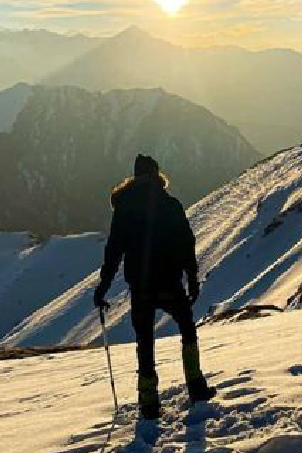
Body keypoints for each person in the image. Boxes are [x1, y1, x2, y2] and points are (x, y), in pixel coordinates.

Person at [94, 154, 216, 419]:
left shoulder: (124, 208)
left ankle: (148, 402)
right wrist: (192, 276)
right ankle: (196, 386)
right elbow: (186, 242)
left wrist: (102, 287)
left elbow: (114, 250)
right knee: (187, 327)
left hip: (141, 285)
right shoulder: (170, 204)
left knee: (145, 341)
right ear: (157, 175)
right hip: (169, 280)